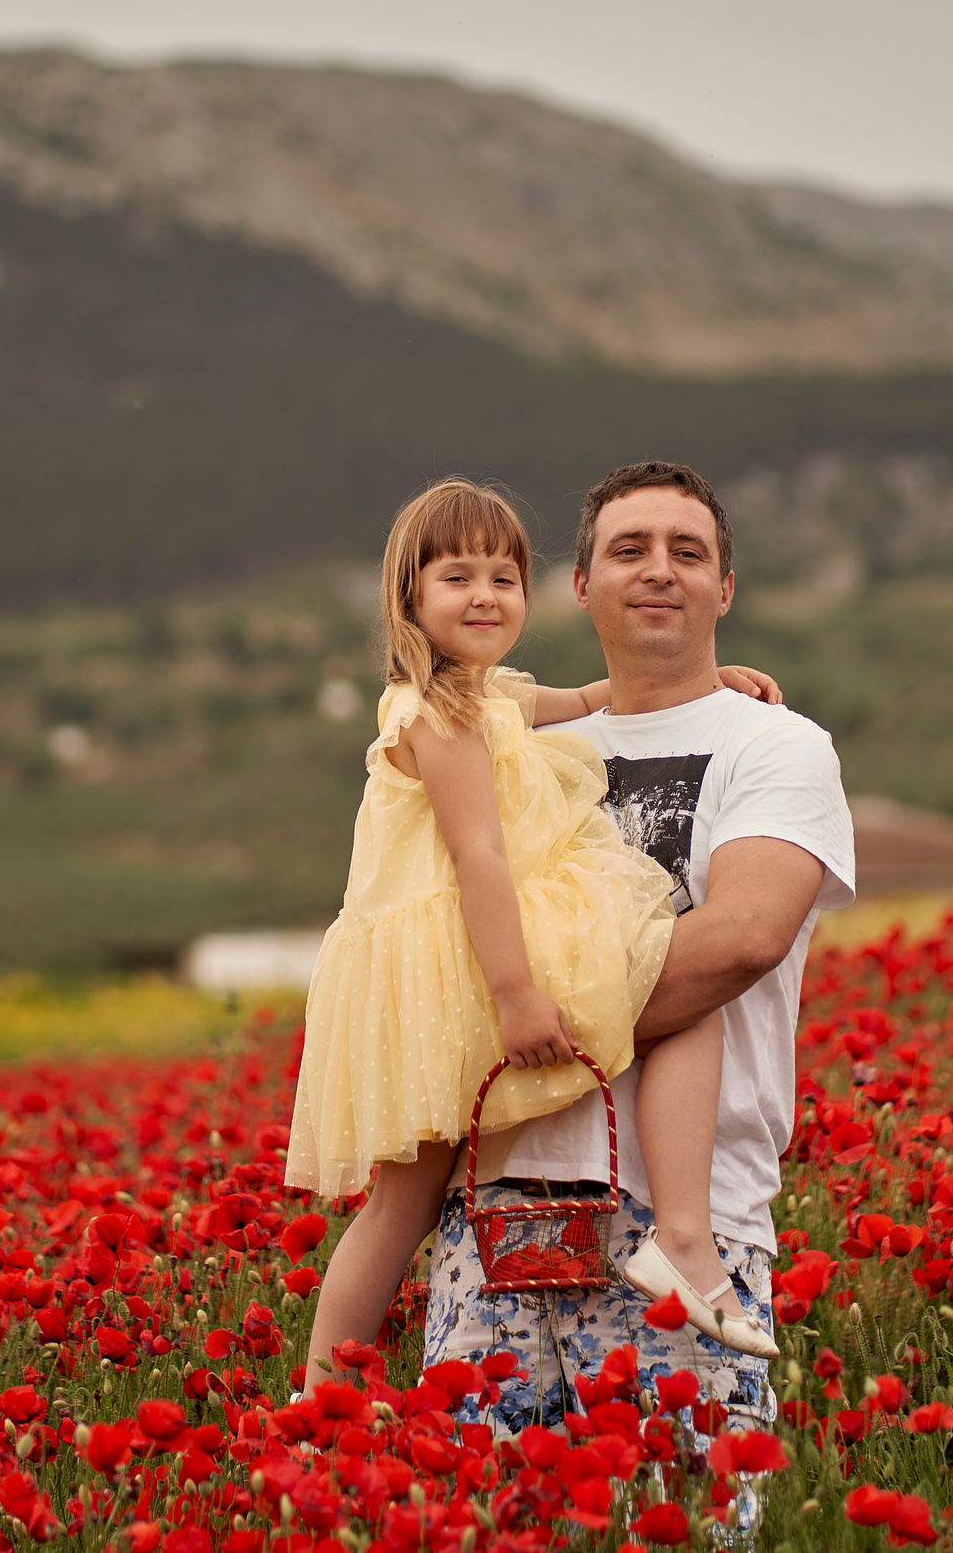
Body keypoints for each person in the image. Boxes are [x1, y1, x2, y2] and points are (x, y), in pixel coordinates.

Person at [288, 477, 786, 1388]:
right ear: (409, 597)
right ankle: (683, 1237)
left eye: (504, 578)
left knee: (400, 1206)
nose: (485, 596)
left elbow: (589, 695)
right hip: (480, 960)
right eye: (457, 578)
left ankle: (321, 1399)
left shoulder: (485, 697)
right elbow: (479, 855)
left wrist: (715, 684)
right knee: (685, 998)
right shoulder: (440, 716)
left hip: (444, 970)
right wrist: (517, 995)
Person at [419, 460, 855, 1431]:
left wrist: (523, 1035)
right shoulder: (506, 746)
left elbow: (741, 938)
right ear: (580, 586)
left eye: (686, 552)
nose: (659, 568)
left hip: (685, 1218)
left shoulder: (776, 745)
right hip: (495, 1216)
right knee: (475, 1504)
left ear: (724, 588)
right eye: (629, 550)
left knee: (685, 1504)